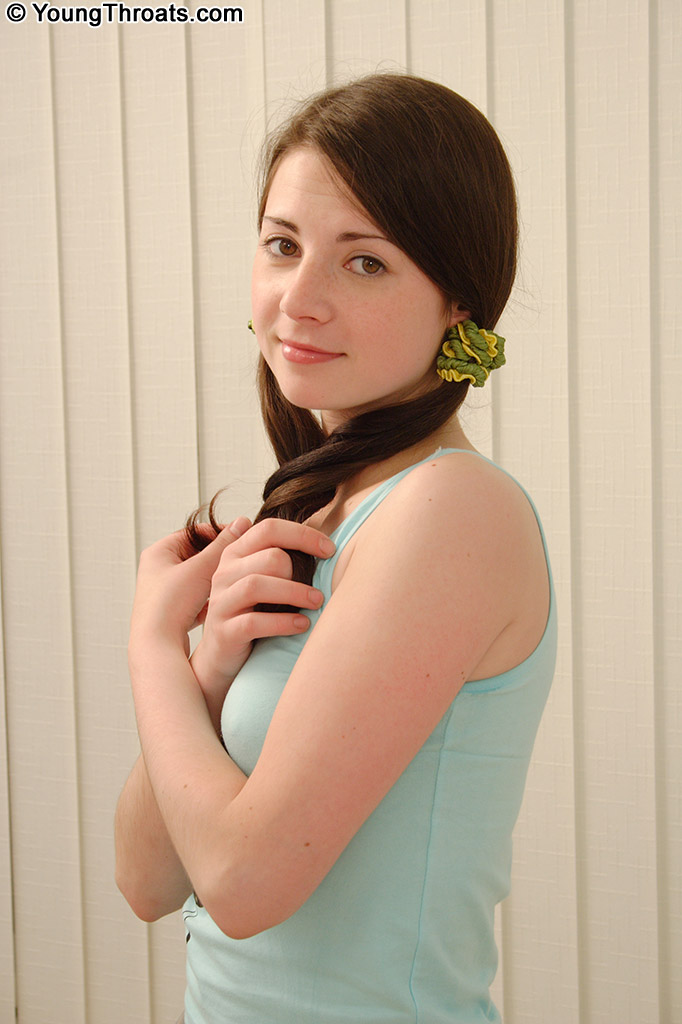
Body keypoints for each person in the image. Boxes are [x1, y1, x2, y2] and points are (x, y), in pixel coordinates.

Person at [115, 72, 556, 1023]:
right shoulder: (322, 515)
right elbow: (147, 881)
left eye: (365, 262)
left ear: (459, 303)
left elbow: (242, 886)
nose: (299, 299)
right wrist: (206, 665)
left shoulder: (450, 509)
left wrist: (151, 643)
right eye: (283, 246)